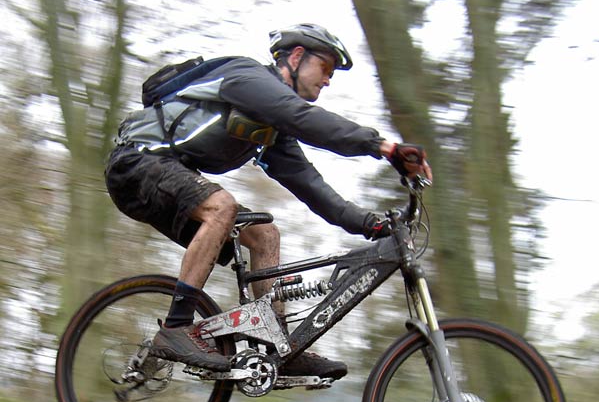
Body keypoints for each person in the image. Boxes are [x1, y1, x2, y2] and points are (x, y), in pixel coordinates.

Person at [105, 23, 432, 379]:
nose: (328, 80)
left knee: (264, 234)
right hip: (136, 163)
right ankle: (176, 327)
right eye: (325, 68)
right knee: (222, 206)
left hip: (166, 173)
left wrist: (369, 223)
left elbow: (312, 187)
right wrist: (382, 146)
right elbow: (301, 118)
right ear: (295, 57)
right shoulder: (244, 78)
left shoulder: (273, 134)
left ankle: (279, 346)